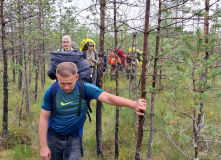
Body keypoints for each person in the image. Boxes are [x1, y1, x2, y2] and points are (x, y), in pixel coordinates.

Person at [39, 62, 147, 160]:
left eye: (70, 83)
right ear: (57, 77)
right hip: (53, 137)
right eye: (62, 83)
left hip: (74, 138)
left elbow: (108, 97)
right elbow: (44, 118)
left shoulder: (85, 88)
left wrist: (134, 104)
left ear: (77, 77)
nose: (66, 87)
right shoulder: (51, 92)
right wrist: (43, 147)